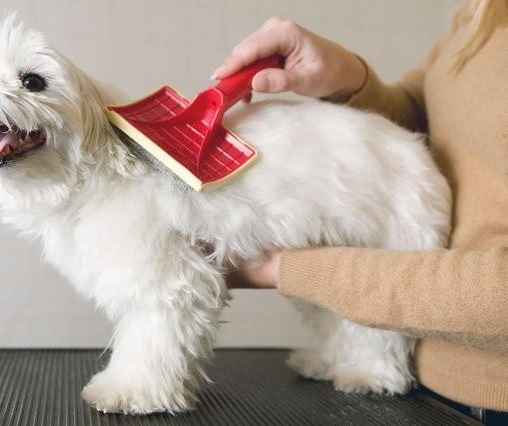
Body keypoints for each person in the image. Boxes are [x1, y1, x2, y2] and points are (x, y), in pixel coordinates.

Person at [214, 1, 508, 423]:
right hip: (425, 388)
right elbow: (435, 119)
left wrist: (286, 268)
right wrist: (347, 77)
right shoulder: (484, 12)